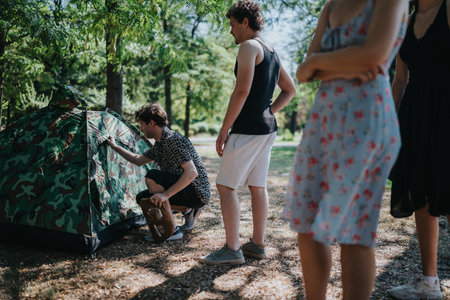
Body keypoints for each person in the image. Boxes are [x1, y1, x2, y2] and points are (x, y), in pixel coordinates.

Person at [282, 0, 408, 299]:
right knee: (308, 224)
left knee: (356, 232)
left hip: (367, 121)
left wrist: (321, 65)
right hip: (322, 122)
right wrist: (319, 65)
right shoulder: (331, 6)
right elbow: (303, 71)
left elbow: (374, 55)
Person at [200, 0, 296, 265]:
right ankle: (257, 245)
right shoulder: (272, 50)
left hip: (248, 129)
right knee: (257, 186)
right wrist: (269, 111)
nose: (231, 31)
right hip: (266, 129)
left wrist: (224, 130)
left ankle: (232, 249)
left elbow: (241, 91)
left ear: (245, 21)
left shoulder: (248, 46)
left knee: (225, 185)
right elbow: (290, 89)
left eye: (232, 25)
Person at [388, 0, 450, 299]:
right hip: (414, 116)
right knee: (420, 193)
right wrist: (389, 123)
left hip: (446, 113)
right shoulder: (406, 21)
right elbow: (400, 79)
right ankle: (429, 282)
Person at [106, 102, 210, 241]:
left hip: (197, 192)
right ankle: (187, 210)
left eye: (142, 124)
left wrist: (166, 195)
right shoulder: (160, 144)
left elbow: (192, 173)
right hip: (187, 191)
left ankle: (172, 231)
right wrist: (114, 146)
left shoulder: (172, 140)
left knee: (153, 176)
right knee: (143, 199)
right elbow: (138, 160)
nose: (141, 129)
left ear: (152, 123)